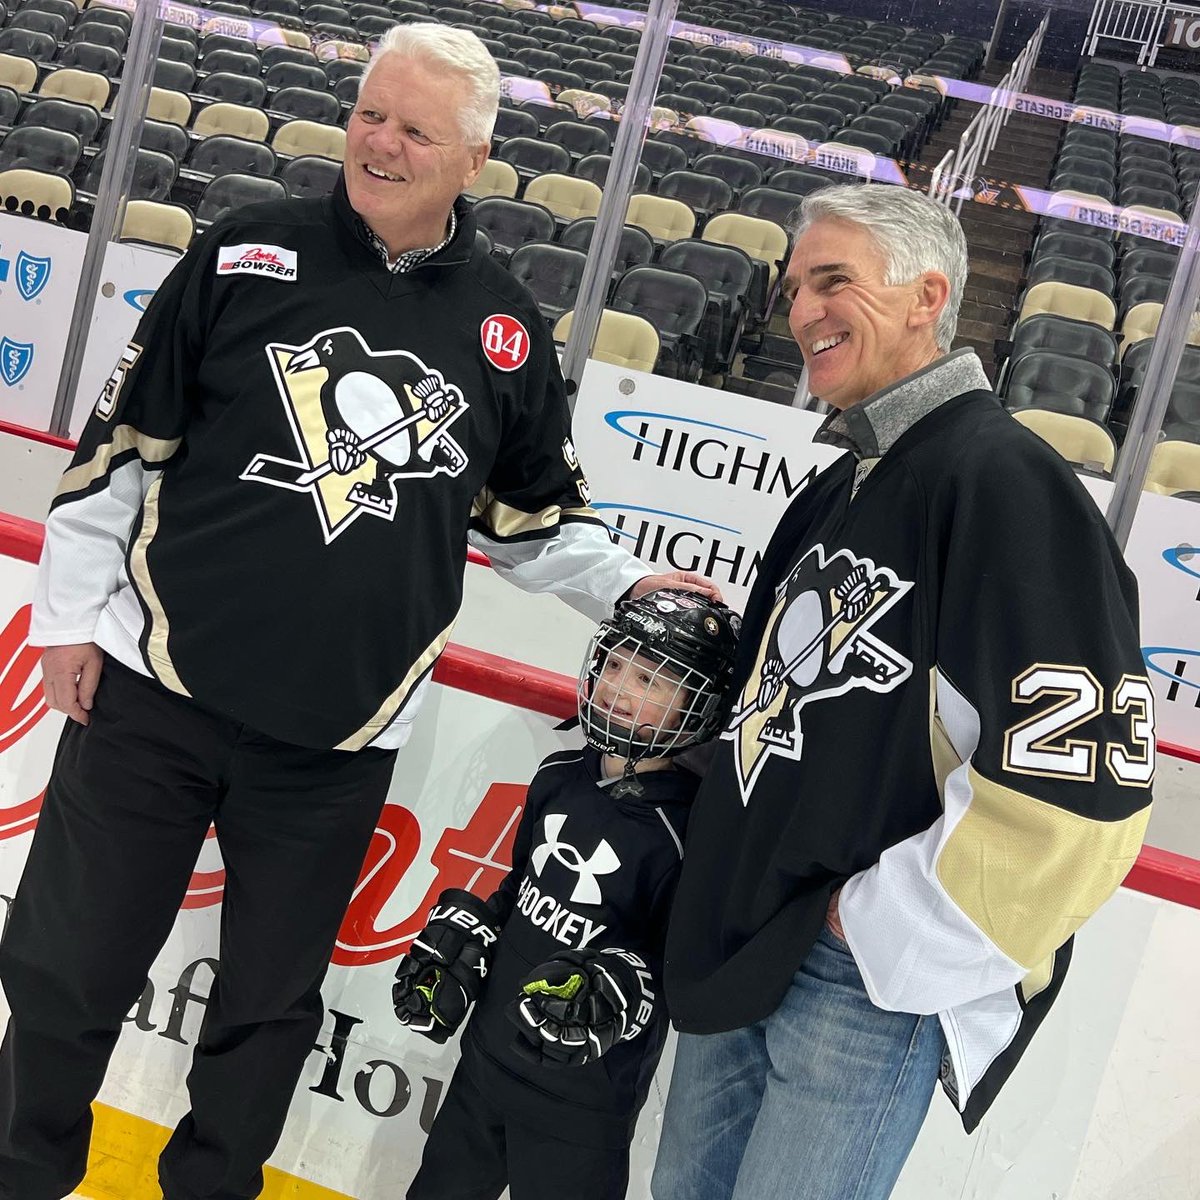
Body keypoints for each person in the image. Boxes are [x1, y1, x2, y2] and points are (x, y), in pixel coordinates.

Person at [0, 24, 714, 1200]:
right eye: (369, 114)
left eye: (414, 129)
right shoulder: (242, 253)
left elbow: (537, 521)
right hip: (151, 698)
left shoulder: (505, 331)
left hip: (334, 749)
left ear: (474, 157)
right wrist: (70, 619)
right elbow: (119, 447)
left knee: (265, 1020)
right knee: (67, 972)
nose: (379, 142)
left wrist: (636, 588)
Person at [651, 184, 1155, 1200]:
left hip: (855, 980)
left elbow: (1083, 794)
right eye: (796, 286)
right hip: (747, 938)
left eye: (835, 281)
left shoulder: (1007, 483)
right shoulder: (846, 481)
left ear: (929, 295)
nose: (801, 310)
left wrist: (869, 925)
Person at [392, 588, 740, 1200]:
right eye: (614, 665)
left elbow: (673, 969)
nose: (618, 689)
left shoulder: (687, 836)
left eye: (652, 681)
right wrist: (471, 936)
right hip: (485, 1065)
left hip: (583, 1106)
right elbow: (519, 889)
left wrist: (622, 987)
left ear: (700, 706)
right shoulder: (557, 778)